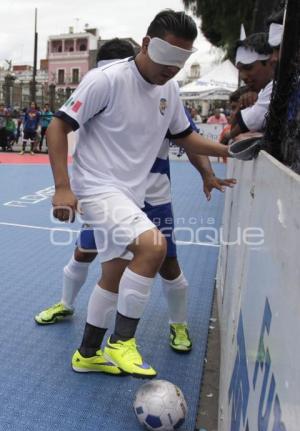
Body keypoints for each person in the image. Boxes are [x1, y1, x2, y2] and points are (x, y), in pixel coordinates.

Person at [47, 10, 231, 379]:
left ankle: (87, 354)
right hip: (97, 187)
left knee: (113, 271)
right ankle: (122, 343)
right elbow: (57, 125)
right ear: (146, 44)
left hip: (128, 193)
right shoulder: (106, 79)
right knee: (154, 247)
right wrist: (63, 188)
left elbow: (184, 136)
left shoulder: (170, 89)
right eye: (167, 57)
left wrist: (229, 152)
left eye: (182, 60)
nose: (172, 68)